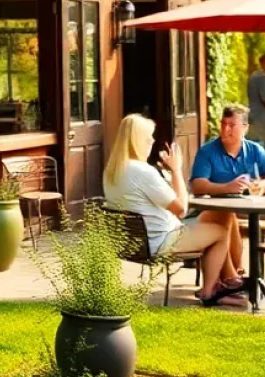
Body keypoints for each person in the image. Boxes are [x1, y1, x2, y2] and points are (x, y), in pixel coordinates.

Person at [104, 114, 245, 307]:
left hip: (135, 243)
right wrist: (177, 170)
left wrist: (169, 180)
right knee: (220, 232)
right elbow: (181, 209)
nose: (152, 142)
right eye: (148, 138)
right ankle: (209, 291)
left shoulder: (112, 171)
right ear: (137, 141)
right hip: (163, 240)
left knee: (217, 216)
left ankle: (229, 280)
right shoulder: (143, 172)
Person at [190, 104, 265, 279]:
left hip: (249, 213)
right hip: (211, 213)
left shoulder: (255, 151)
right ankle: (236, 275)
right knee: (226, 216)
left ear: (245, 128)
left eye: (231, 125)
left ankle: (232, 278)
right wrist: (227, 188)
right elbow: (198, 185)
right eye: (223, 123)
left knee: (229, 217)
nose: (225, 129)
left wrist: (260, 185)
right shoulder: (207, 151)